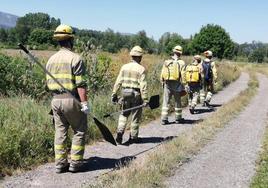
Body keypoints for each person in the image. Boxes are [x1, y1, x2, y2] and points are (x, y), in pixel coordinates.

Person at [46, 24, 89, 173]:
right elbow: (81, 84)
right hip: (72, 100)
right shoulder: (76, 58)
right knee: (79, 130)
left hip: (55, 101)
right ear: (71, 40)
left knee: (60, 132)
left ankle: (60, 164)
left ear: (58, 41)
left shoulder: (50, 60)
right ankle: (75, 163)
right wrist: (84, 103)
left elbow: (47, 84)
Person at [111, 46, 148, 145]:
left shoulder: (124, 67)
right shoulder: (141, 69)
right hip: (136, 95)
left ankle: (120, 132)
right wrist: (145, 99)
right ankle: (133, 137)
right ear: (140, 57)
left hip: (124, 94)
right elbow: (143, 86)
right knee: (135, 117)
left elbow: (118, 82)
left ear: (132, 56)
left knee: (124, 114)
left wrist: (114, 93)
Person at [160, 45, 186, 125]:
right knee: (177, 101)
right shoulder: (181, 62)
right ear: (180, 53)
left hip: (167, 83)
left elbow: (162, 74)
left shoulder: (166, 61)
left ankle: (164, 119)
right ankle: (178, 118)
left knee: (166, 101)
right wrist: (184, 84)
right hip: (177, 83)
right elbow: (183, 74)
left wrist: (162, 83)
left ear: (174, 51)